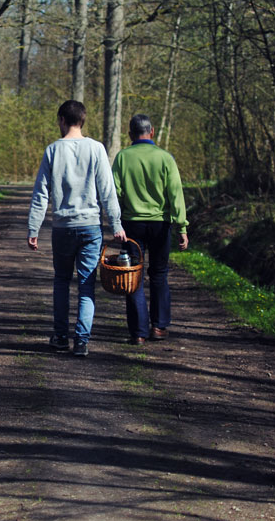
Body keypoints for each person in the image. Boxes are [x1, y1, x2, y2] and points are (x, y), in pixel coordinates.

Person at [28, 100, 126, 357]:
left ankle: (61, 337)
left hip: (62, 227)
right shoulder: (96, 149)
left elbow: (41, 193)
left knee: (61, 281)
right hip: (90, 227)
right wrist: (116, 224)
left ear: (62, 119)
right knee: (86, 285)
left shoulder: (52, 150)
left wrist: (33, 228)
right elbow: (107, 191)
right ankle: (81, 341)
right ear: (82, 120)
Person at [111, 114, 189, 345]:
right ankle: (159, 327)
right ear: (152, 132)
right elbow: (176, 194)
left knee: (133, 275)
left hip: (131, 225)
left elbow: (115, 192)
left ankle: (138, 332)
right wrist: (182, 227)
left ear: (129, 134)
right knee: (159, 274)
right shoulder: (165, 158)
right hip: (160, 224)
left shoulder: (123, 157)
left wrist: (116, 221)